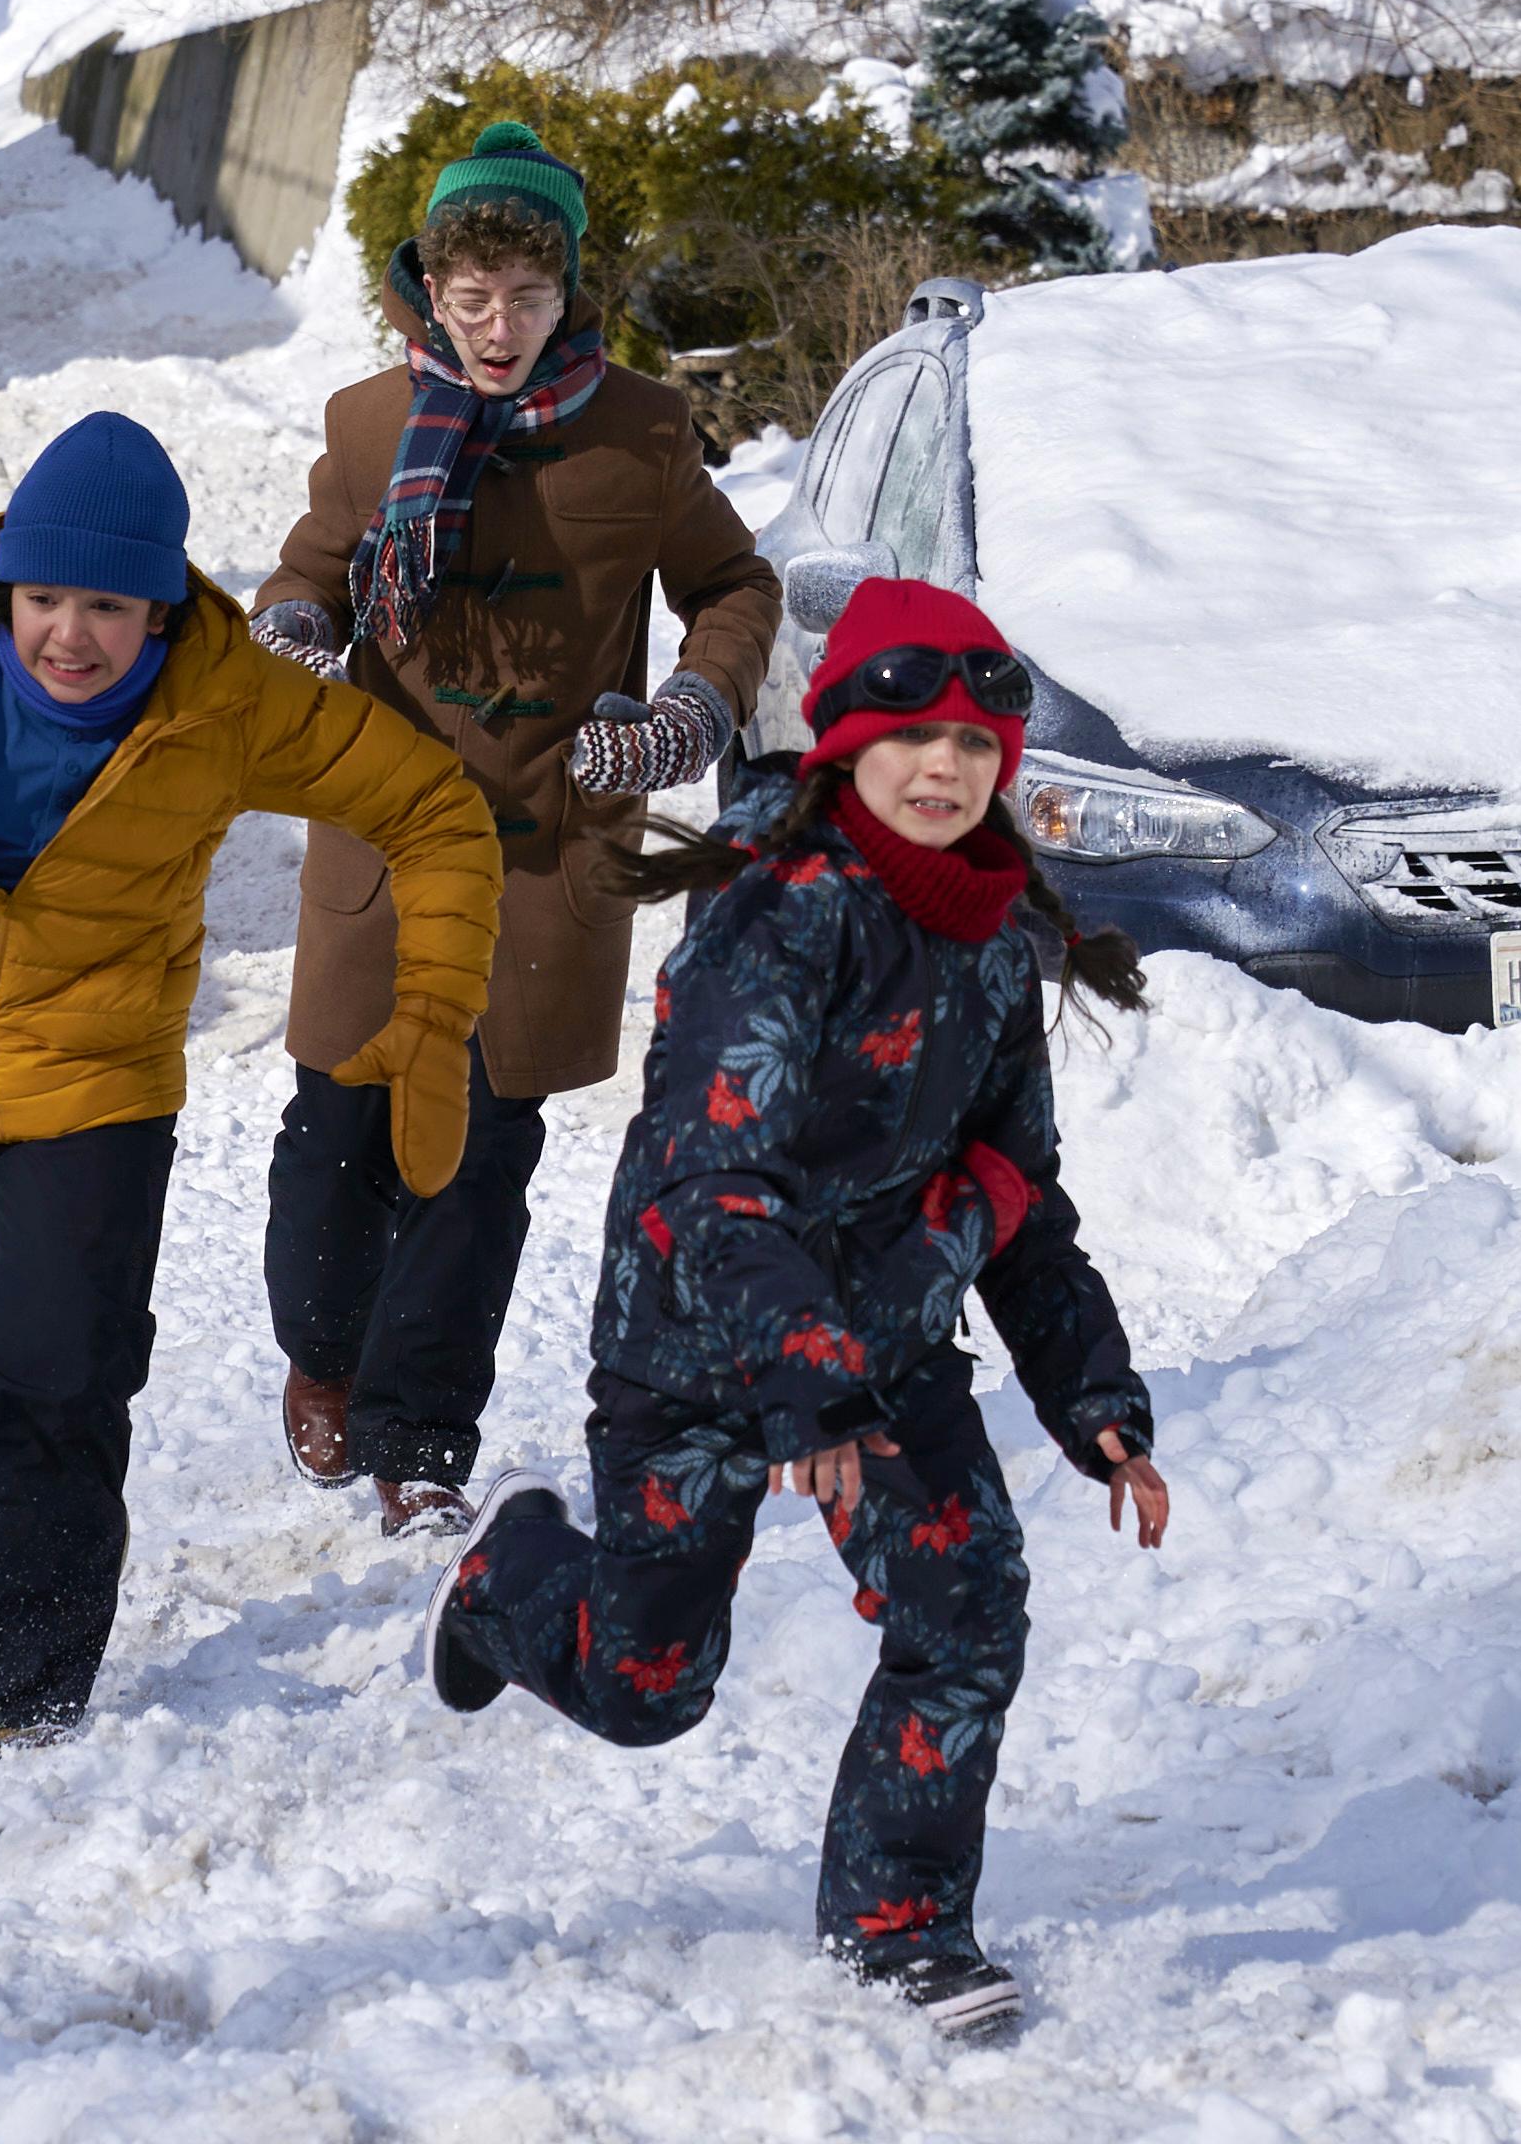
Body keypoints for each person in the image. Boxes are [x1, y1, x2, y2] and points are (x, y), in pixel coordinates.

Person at [418, 577, 1171, 2043]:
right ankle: (509, 1579)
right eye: (912, 737)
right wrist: (798, 1382)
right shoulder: (784, 917)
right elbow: (718, 1187)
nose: (944, 769)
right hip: (702, 1341)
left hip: (879, 1343)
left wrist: (1097, 1405)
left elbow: (1018, 1193)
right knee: (647, 1690)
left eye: (973, 741)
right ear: (843, 747)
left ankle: (901, 1926)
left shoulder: (996, 937)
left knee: (967, 1608)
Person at [0, 411, 503, 1745]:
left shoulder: (228, 701)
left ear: (160, 613)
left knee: (45, 1377)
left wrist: (428, 1019)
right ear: (6, 589)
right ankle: (58, 1514)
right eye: (43, 598)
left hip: (97, 1091)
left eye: (107, 606)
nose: (68, 635)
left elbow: (434, 809)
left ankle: (11, 1720)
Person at [253, 118, 780, 1539]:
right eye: (473, 297)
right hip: (385, 845)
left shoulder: (646, 432)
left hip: (551, 850)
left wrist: (687, 713)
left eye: (528, 299)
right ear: (432, 287)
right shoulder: (370, 427)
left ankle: (423, 1441)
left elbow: (736, 587)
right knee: (335, 1144)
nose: (498, 328)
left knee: (480, 1168)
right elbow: (307, 572)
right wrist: (296, 631)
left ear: (568, 294)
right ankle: (328, 1350)